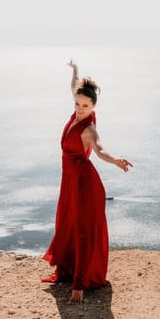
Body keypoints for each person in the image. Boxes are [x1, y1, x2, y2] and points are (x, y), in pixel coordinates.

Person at [42, 60, 132, 303]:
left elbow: (101, 151)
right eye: (77, 104)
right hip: (69, 180)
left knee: (81, 230)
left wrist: (117, 161)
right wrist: (75, 71)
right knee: (68, 225)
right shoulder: (74, 114)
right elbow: (74, 86)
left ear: (93, 106)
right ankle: (69, 270)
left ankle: (79, 285)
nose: (80, 108)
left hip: (83, 182)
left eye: (85, 105)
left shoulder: (88, 129)